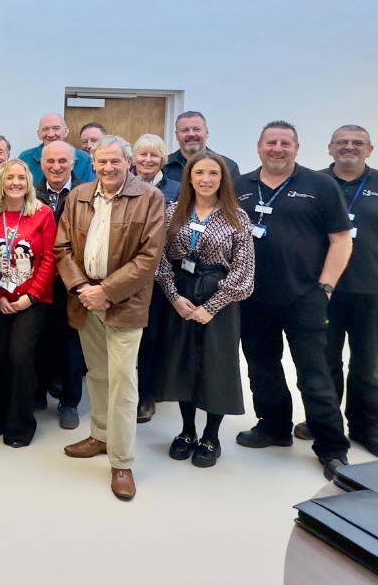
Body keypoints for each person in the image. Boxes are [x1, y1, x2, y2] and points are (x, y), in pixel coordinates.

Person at [234, 121, 352, 480]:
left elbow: (342, 239)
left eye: (285, 143)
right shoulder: (239, 187)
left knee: (314, 374)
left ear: (296, 149)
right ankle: (273, 427)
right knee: (262, 368)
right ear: (258, 147)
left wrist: (326, 287)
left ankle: (332, 447)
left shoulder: (320, 185)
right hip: (252, 299)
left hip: (305, 297)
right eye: (271, 142)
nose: (278, 149)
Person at [55, 135, 166, 501]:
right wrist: (83, 289)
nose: (108, 168)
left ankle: (122, 460)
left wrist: (107, 291)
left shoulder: (149, 198)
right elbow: (63, 247)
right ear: (92, 162)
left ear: (128, 161)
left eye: (115, 161)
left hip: (125, 302)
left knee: (122, 380)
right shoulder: (79, 196)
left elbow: (149, 258)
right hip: (86, 299)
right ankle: (100, 436)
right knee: (98, 374)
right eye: (101, 162)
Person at [307, 125, 378, 458]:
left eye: (357, 143)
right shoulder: (315, 183)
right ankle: (325, 421)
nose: (350, 147)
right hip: (324, 290)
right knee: (324, 361)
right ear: (330, 148)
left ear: (370, 149)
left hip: (374, 289)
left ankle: (367, 429)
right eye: (343, 142)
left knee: (366, 364)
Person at [154, 151, 255, 468]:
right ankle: (187, 432)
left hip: (219, 300)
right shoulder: (173, 212)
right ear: (189, 178)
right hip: (181, 294)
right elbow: (159, 259)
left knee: (215, 367)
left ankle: (211, 436)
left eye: (213, 173)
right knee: (182, 363)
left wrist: (211, 307)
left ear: (222, 178)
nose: (206, 179)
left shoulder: (237, 218)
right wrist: (173, 296)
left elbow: (244, 272)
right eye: (199, 173)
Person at [0, 158, 57, 448]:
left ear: (29, 183)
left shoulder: (42, 213)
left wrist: (31, 296)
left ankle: (20, 425)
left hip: (33, 301)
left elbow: (50, 258)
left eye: (21, 178)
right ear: (0, 182)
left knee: (19, 357)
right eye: (9, 177)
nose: (15, 183)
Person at [34, 140, 86, 430]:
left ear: (73, 163)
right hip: (39, 280)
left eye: (62, 161)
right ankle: (37, 394)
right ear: (41, 164)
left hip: (72, 281)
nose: (56, 167)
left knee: (71, 344)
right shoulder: (31, 192)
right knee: (38, 340)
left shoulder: (85, 194)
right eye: (50, 161)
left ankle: (70, 402)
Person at [130, 133, 181, 423]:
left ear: (163, 159)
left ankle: (147, 395)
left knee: (153, 337)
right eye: (142, 154)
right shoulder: (124, 184)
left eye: (154, 155)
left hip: (164, 275)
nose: (148, 160)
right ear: (133, 159)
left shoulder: (176, 189)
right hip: (129, 272)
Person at [162, 111, 240, 184]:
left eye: (196, 129)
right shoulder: (163, 166)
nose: (191, 134)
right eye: (185, 130)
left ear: (206, 132)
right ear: (177, 136)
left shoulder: (228, 166)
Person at [18, 113, 96, 183]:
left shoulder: (84, 159)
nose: (51, 134)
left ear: (66, 132)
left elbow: (89, 192)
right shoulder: (25, 158)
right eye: (45, 129)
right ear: (39, 134)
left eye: (56, 128)